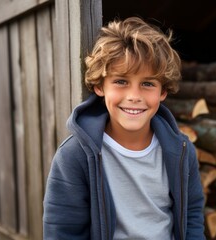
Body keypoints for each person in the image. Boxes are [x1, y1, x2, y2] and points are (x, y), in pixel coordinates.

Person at [43, 16, 205, 240]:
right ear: (100, 86)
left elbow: (192, 216)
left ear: (163, 91)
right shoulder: (74, 156)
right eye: (121, 81)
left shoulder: (183, 150)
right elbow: (62, 232)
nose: (134, 96)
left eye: (148, 84)